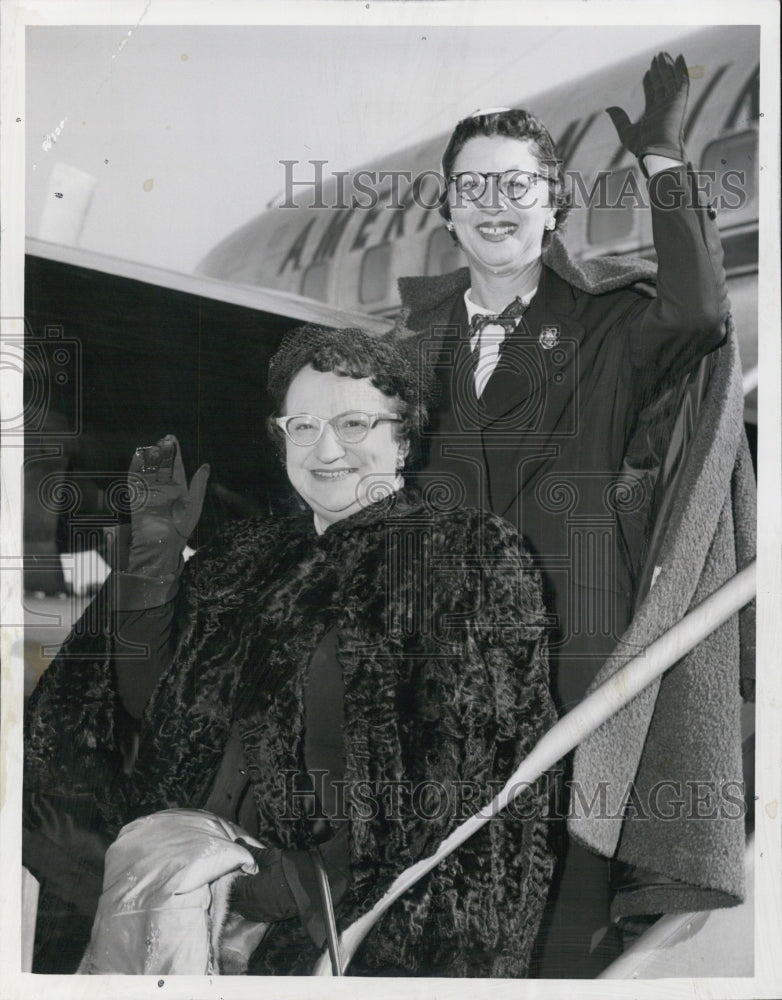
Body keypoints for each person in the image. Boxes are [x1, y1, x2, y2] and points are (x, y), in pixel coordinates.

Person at [24, 325, 557, 977]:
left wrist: (277, 888)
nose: (326, 448)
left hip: (329, 922)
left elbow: (465, 767)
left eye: (354, 423)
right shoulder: (246, 558)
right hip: (179, 894)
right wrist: (153, 561)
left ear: (404, 436)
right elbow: (148, 713)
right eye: (303, 426)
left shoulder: (462, 558)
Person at [397, 53, 752, 975]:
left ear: (554, 203)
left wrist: (665, 162)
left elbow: (701, 312)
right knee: (429, 935)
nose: (494, 202)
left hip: (571, 677)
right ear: (446, 211)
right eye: (472, 185)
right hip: (429, 682)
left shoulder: (605, 328)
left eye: (516, 184)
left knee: (559, 946)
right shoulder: (406, 347)